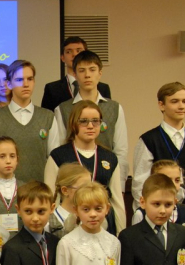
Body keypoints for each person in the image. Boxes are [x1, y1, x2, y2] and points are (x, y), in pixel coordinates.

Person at [132, 82, 185, 245]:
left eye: (184, 101)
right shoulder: (148, 140)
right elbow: (139, 186)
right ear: (161, 105)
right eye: (174, 101)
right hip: (155, 217)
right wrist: (143, 220)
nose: (181, 106)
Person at [45, 100, 125, 236]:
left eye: (95, 121)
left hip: (103, 225)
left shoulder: (110, 158)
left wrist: (120, 234)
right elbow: (51, 198)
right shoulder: (58, 156)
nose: (90, 126)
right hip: (68, 227)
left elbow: (117, 202)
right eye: (83, 121)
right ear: (73, 124)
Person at [52, 51, 128, 181]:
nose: (87, 75)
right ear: (74, 74)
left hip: (106, 178)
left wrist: (119, 184)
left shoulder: (115, 108)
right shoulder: (63, 109)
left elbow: (121, 151)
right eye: (81, 70)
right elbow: (59, 150)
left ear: (100, 73)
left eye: (92, 70)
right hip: (73, 181)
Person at [0, 60, 60, 183]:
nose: (26, 84)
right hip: (5, 190)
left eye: (30, 79)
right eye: (19, 80)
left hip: (39, 190)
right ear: (9, 84)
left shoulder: (47, 117)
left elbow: (54, 160)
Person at [41, 36, 111, 114]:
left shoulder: (103, 88)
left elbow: (107, 113)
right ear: (62, 57)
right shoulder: (52, 89)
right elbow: (46, 117)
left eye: (78, 50)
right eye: (68, 52)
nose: (74, 54)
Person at [0, 137, 24, 239]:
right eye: (2, 156)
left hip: (21, 243)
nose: (8, 161)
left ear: (17, 159)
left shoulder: (25, 188)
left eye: (12, 156)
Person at [48, 163, 90, 239]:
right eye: (83, 188)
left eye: (90, 187)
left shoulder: (90, 218)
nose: (89, 192)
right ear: (65, 190)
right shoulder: (49, 222)